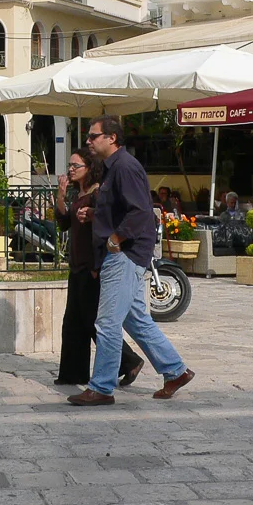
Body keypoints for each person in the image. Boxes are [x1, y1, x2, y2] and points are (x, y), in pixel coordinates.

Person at [68, 117, 194, 406]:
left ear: (112, 138)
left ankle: (101, 387)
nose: (88, 141)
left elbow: (139, 212)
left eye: (93, 136)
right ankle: (175, 371)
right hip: (123, 254)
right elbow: (118, 206)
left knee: (107, 323)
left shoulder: (125, 167)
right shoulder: (114, 169)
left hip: (123, 255)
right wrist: (95, 214)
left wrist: (115, 239)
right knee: (136, 320)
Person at [54, 150, 143, 388]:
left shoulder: (97, 194)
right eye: (69, 165)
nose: (71, 169)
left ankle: (129, 361)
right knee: (73, 321)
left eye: (76, 165)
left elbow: (101, 232)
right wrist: (60, 196)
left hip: (92, 265)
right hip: (77, 264)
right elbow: (63, 223)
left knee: (94, 320)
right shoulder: (78, 193)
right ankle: (73, 373)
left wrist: (96, 264)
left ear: (88, 167)